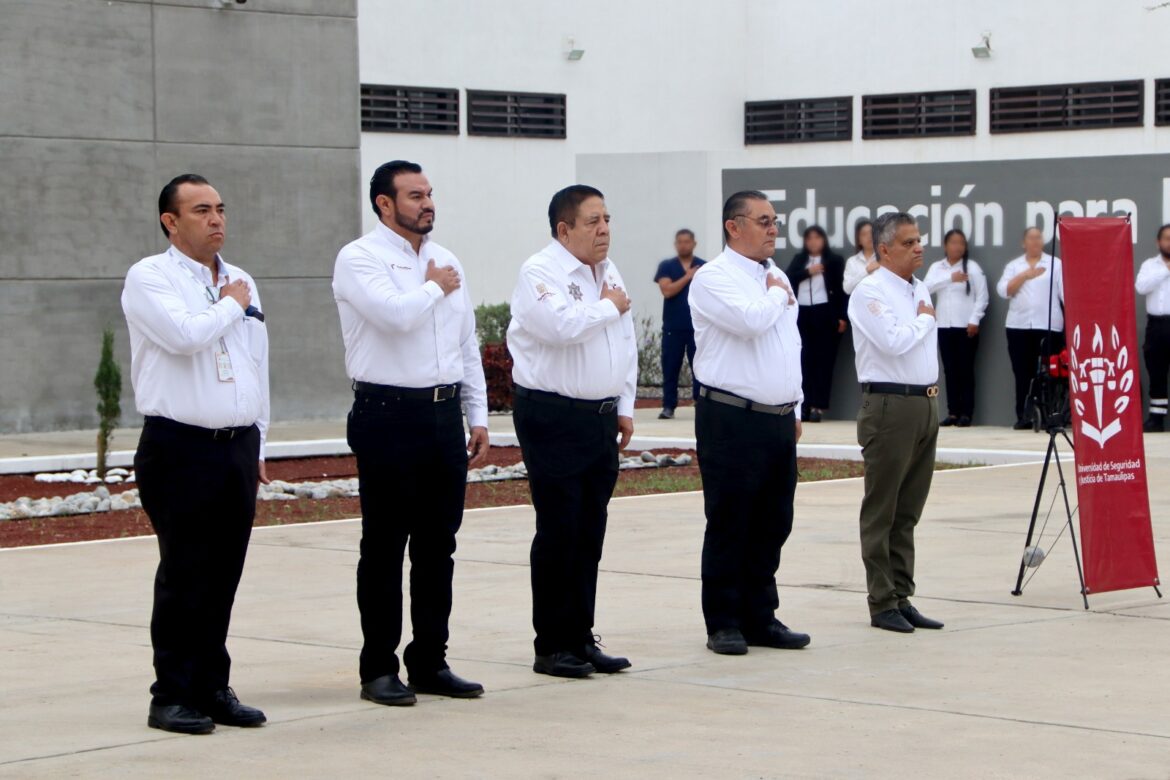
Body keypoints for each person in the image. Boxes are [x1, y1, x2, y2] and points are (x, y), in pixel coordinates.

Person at [333, 160, 489, 706]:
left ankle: (430, 661)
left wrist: (478, 415)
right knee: (384, 546)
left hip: (443, 415)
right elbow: (394, 316)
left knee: (437, 546)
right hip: (387, 414)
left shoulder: (446, 261)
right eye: (414, 195)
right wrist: (431, 288)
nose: (427, 204)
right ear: (384, 204)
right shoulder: (360, 258)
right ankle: (378, 667)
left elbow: (466, 344)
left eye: (429, 193)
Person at [122, 173, 270, 734]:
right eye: (202, 210)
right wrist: (232, 305)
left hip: (236, 446)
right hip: (179, 447)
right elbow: (185, 336)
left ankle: (213, 686)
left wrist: (262, 435)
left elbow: (257, 361)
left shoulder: (240, 278)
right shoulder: (150, 277)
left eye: (221, 209)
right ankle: (171, 694)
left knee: (224, 573)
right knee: (185, 572)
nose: (217, 220)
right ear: (171, 221)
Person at [507, 184, 637, 678]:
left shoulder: (608, 272)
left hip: (599, 418)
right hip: (553, 416)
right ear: (564, 230)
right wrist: (608, 306)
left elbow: (624, 341)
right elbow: (560, 326)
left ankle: (582, 637)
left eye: (607, 219)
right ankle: (552, 644)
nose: (604, 230)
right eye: (592, 222)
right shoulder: (540, 271)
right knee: (560, 529)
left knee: (590, 531)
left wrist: (624, 403)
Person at [688, 190, 811, 656]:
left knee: (774, 520)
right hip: (731, 416)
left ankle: (762, 616)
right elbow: (750, 322)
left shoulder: (774, 275)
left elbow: (788, 345)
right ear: (733, 227)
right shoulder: (713, 278)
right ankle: (722, 620)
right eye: (763, 221)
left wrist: (794, 406)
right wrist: (777, 295)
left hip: (776, 419)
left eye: (775, 221)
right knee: (730, 520)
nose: (773, 229)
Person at [848, 211, 944, 634]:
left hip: (924, 405)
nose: (918, 247)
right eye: (907, 243)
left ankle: (902, 595)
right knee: (882, 510)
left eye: (919, 240)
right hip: (889, 406)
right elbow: (893, 341)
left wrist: (920, 314)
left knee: (908, 511)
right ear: (884, 250)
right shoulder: (869, 291)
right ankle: (881, 601)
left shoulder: (918, 287)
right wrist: (925, 318)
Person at [996, 227, 1065, 430]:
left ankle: (1050, 414)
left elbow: (1064, 293)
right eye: (1031, 238)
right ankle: (1024, 415)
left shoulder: (1055, 264)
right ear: (1023, 243)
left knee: (1050, 372)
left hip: (1048, 325)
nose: (1035, 242)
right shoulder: (1014, 266)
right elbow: (1004, 290)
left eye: (1038, 238)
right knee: (1022, 372)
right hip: (1019, 326)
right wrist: (1026, 275)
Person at [923, 229, 989, 427]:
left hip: (965, 326)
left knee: (965, 370)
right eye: (953, 242)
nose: (957, 246)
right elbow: (925, 288)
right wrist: (950, 279)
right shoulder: (938, 267)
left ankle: (967, 413)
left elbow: (982, 296)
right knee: (949, 370)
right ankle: (953, 412)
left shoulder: (973, 268)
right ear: (945, 245)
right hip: (944, 325)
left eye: (961, 243)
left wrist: (975, 319)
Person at [786, 225, 847, 422]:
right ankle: (804, 405)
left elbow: (841, 290)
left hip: (825, 313)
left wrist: (842, 316)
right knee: (804, 360)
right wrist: (808, 272)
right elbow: (788, 279)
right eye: (809, 238)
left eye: (817, 238)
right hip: (803, 313)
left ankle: (818, 407)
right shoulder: (799, 260)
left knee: (824, 362)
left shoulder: (834, 260)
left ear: (824, 240)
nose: (813, 242)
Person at [653, 229, 706, 419]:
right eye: (680, 242)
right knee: (670, 367)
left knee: (700, 368)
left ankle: (701, 404)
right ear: (676, 244)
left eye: (687, 241)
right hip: (673, 328)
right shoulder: (667, 266)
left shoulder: (704, 267)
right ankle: (668, 406)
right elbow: (667, 291)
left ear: (694, 243)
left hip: (697, 329)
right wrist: (688, 276)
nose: (683, 245)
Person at [1136, 223, 1170, 432]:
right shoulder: (1150, 265)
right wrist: (1166, 270)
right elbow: (1141, 287)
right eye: (1166, 238)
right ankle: (1156, 419)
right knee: (1156, 371)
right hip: (1156, 326)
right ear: (1159, 242)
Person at [843, 219, 879, 295]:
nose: (869, 236)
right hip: (859, 303)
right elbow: (847, 289)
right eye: (864, 234)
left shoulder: (884, 258)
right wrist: (866, 271)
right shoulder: (852, 261)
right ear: (859, 241)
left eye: (871, 233)